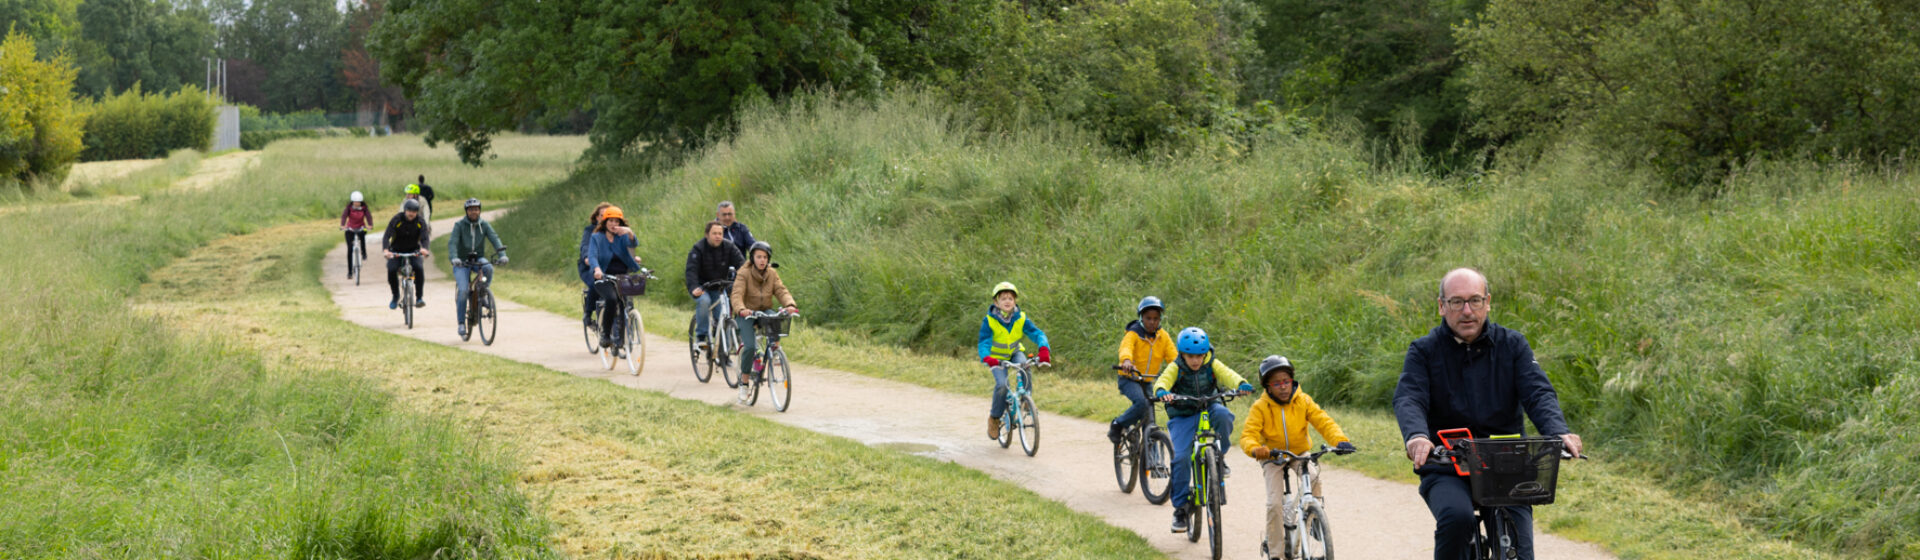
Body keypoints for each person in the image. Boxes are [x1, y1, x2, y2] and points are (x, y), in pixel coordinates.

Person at [1394, 268, 1584, 560]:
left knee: (1520, 550)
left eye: (1475, 301)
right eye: (1457, 302)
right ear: (1441, 306)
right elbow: (1410, 397)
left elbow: (1538, 392)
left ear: (1488, 302)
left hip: (1506, 464)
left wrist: (1558, 430)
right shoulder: (1423, 351)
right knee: (1456, 519)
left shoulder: (1513, 345)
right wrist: (1417, 436)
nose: (1467, 311)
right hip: (1447, 464)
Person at [1242, 355, 1356, 560]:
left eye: (1286, 381)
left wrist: (1340, 440)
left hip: (1299, 453)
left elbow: (1323, 421)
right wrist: (1255, 448)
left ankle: (1312, 519)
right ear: (1267, 386)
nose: (1283, 387)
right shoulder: (1260, 407)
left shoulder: (1303, 401)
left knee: (1313, 478)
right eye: (1277, 383)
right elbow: (1248, 434)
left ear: (1292, 381)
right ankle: (1276, 553)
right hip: (1272, 456)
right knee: (1274, 504)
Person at [1153, 326, 1254, 534]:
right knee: (1181, 458)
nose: (1196, 360)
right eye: (1190, 356)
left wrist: (1241, 383)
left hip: (1209, 408)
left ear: (1205, 353)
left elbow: (1228, 374)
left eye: (1199, 355)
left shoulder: (1211, 364)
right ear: (1182, 354)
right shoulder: (1176, 367)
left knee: (1224, 416)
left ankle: (1220, 455)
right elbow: (1162, 381)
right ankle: (1180, 509)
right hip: (1182, 416)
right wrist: (1162, 391)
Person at [977, 282, 1051, 438]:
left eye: (1010, 298)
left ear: (1015, 301)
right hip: (996, 358)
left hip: (1015, 352)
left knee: (1025, 365)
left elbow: (1037, 334)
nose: (1007, 301)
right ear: (996, 302)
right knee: (1002, 385)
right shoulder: (989, 321)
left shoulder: (1021, 318)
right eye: (1003, 298)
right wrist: (987, 358)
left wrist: (1044, 349)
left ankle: (1026, 400)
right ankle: (995, 418)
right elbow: (984, 342)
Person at [1109, 296, 1176, 444]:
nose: (1152, 322)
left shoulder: (1163, 337)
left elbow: (1174, 357)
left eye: (1156, 318)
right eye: (1148, 318)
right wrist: (1126, 361)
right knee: (1142, 403)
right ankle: (1118, 424)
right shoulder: (1133, 334)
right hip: (1129, 379)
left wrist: (1182, 369)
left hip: (1147, 381)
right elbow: (1126, 348)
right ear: (1141, 318)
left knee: (1149, 418)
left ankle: (1150, 458)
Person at [730, 241, 799, 383]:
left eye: (765, 257)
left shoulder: (772, 274)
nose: (762, 260)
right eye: (759, 257)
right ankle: (744, 382)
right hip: (747, 314)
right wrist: (742, 309)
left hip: (764, 310)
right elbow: (736, 294)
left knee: (775, 317)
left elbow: (781, 290)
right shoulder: (743, 273)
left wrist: (790, 304)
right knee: (749, 347)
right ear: (752, 259)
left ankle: (774, 351)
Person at [447, 198, 508, 338]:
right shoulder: (459, 225)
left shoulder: (484, 225)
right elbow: (453, 243)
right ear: (466, 211)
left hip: (477, 259)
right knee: (463, 291)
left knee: (488, 268)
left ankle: (483, 293)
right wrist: (454, 258)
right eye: (470, 209)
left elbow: (495, 239)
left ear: (480, 210)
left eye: (476, 209)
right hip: (461, 262)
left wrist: (502, 255)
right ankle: (461, 323)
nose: (474, 212)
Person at [685, 221, 744, 354]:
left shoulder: (729, 247)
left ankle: (724, 354)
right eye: (714, 233)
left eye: (720, 233)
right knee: (704, 302)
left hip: (719, 286)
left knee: (724, 316)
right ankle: (701, 337)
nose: (718, 236)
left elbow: (742, 264)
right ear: (707, 235)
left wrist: (748, 277)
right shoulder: (698, 249)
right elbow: (691, 271)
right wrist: (694, 287)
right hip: (701, 286)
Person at [589, 207, 642, 352]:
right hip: (604, 277)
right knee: (612, 299)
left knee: (624, 303)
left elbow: (633, 244)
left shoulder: (623, 236)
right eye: (610, 220)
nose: (613, 224)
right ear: (605, 222)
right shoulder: (596, 237)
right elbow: (592, 256)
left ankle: (620, 339)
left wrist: (630, 232)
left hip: (622, 276)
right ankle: (605, 334)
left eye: (616, 221)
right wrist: (597, 269)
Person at [381, 199, 431, 309]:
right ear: (405, 210)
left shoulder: (420, 222)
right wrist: (386, 250)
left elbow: (425, 238)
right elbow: (386, 236)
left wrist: (425, 249)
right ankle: (395, 295)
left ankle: (419, 298)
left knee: (418, 268)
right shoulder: (397, 219)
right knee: (391, 269)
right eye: (409, 211)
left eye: (414, 211)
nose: (411, 213)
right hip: (396, 251)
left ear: (417, 212)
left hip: (413, 251)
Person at [578, 202, 615, 326]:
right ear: (597, 217)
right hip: (590, 266)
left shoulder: (615, 231)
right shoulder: (590, 231)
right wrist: (587, 257)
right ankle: (588, 315)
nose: (605, 219)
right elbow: (585, 246)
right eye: (602, 215)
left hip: (609, 266)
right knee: (596, 283)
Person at [339, 191, 372, 276]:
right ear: (352, 202)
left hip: (361, 227)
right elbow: (344, 216)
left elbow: (368, 216)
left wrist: (370, 225)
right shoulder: (349, 208)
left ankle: (364, 253)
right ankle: (350, 271)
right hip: (350, 228)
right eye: (355, 202)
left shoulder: (364, 208)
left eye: (358, 202)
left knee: (362, 235)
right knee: (350, 249)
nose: (357, 204)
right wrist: (342, 225)